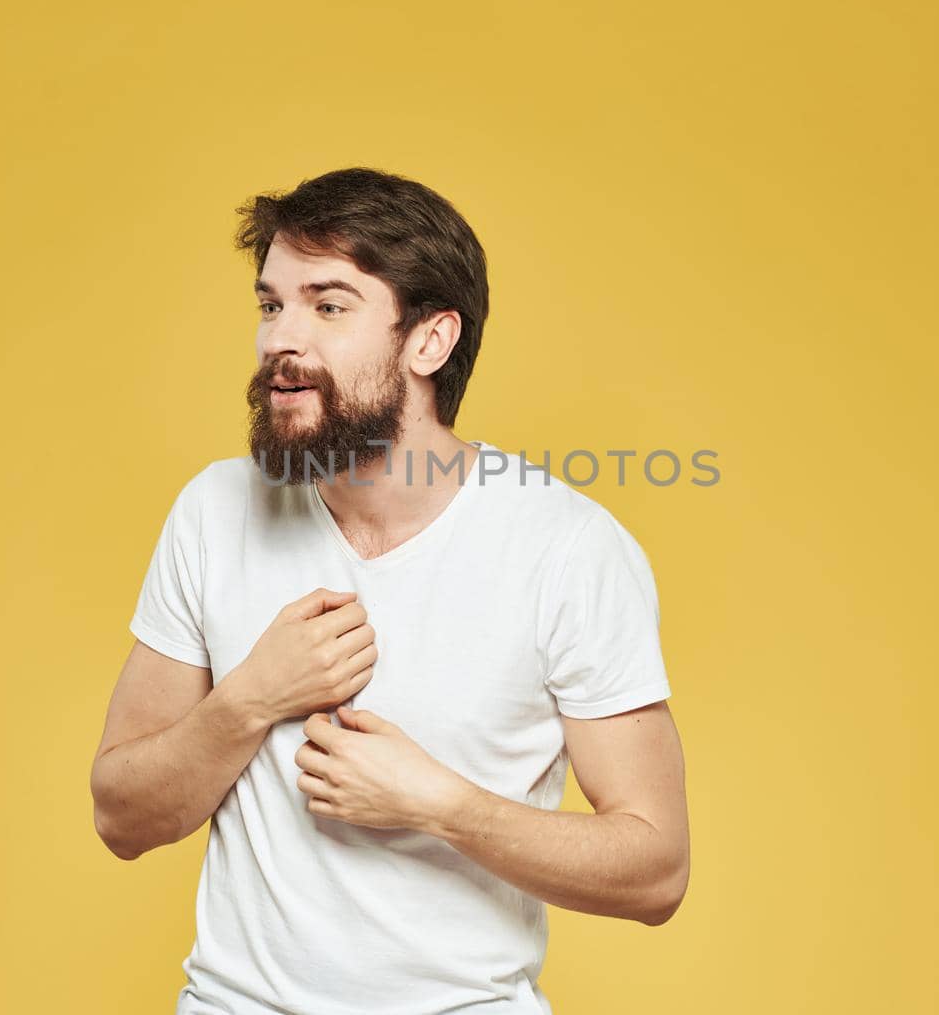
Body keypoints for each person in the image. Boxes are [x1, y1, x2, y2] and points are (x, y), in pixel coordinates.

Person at [90, 167, 689, 1015]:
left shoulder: (566, 550)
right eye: (271, 305)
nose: (279, 341)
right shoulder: (214, 512)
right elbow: (121, 816)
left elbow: (657, 868)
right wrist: (251, 699)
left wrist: (438, 803)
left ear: (429, 341)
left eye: (327, 306)